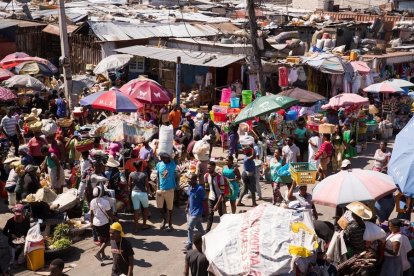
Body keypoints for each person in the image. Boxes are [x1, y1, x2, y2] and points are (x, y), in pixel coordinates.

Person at [90, 186, 118, 263]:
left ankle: (103, 255)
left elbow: (91, 214)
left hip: (95, 223)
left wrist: (91, 222)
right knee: (108, 239)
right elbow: (109, 213)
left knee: (101, 239)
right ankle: (98, 252)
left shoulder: (92, 201)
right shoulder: (105, 202)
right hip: (104, 223)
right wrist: (116, 218)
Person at [155, 153, 176, 231]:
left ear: (167, 158)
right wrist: (158, 188)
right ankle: (164, 219)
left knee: (170, 208)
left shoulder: (172, 164)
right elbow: (158, 176)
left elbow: (174, 156)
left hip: (170, 190)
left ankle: (170, 223)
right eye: (160, 157)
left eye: (163, 157)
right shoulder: (159, 164)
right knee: (159, 207)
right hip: (160, 190)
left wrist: (170, 153)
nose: (161, 158)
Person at [185, 174, 206, 251]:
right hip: (191, 211)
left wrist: (205, 212)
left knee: (190, 228)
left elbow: (205, 200)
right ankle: (206, 239)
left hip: (197, 212)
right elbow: (189, 197)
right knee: (200, 228)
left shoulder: (200, 189)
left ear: (195, 180)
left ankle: (189, 245)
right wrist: (187, 207)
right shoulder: (190, 187)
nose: (188, 180)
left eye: (190, 179)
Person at [129, 161, 150, 232]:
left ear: (135, 166)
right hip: (143, 193)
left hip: (134, 192)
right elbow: (147, 185)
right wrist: (147, 192)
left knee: (136, 210)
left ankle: (135, 228)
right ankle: (144, 225)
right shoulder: (144, 174)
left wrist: (130, 191)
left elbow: (129, 184)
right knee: (145, 209)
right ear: (141, 166)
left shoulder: (131, 174)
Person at [204, 161, 225, 232]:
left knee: (221, 216)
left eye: (210, 168)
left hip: (219, 199)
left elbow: (222, 193)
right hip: (211, 198)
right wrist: (207, 200)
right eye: (207, 168)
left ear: (214, 167)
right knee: (210, 215)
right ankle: (207, 231)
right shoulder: (206, 176)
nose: (208, 170)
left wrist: (217, 204)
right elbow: (207, 189)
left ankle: (223, 230)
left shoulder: (220, 177)